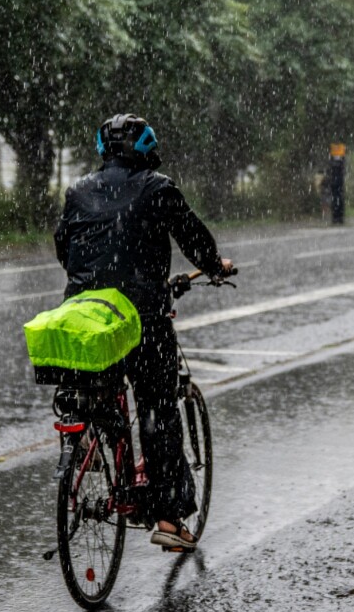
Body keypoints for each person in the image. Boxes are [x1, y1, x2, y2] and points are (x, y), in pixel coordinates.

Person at [54, 113, 233, 550]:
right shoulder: (158, 188)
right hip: (143, 320)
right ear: (147, 150)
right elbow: (193, 238)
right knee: (157, 409)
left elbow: (65, 247)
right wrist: (213, 266)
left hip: (87, 317)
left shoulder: (77, 192)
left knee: (101, 394)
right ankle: (169, 520)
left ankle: (102, 452)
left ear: (103, 151)